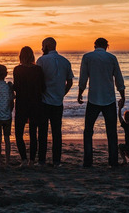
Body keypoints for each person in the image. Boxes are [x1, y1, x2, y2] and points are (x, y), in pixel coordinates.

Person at [78, 37, 125, 168]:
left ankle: (88, 161)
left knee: (88, 131)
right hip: (109, 98)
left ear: (94, 45)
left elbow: (83, 77)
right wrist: (122, 95)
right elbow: (118, 78)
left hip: (93, 98)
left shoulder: (87, 57)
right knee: (111, 132)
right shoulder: (112, 58)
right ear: (107, 46)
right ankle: (113, 161)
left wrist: (80, 93)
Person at [36, 37, 73, 166]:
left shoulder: (41, 60)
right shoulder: (65, 61)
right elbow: (70, 82)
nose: (41, 48)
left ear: (47, 45)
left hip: (44, 101)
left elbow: (37, 80)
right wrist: (62, 93)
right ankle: (56, 161)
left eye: (42, 45)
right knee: (57, 132)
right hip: (58, 101)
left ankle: (42, 160)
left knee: (43, 132)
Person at [13, 46, 46, 166]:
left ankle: (23, 159)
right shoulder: (38, 69)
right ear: (32, 56)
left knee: (19, 133)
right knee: (33, 133)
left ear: (21, 56)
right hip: (36, 103)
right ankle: (32, 160)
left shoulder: (17, 69)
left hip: (22, 103)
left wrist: (11, 87)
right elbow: (43, 87)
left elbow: (17, 88)